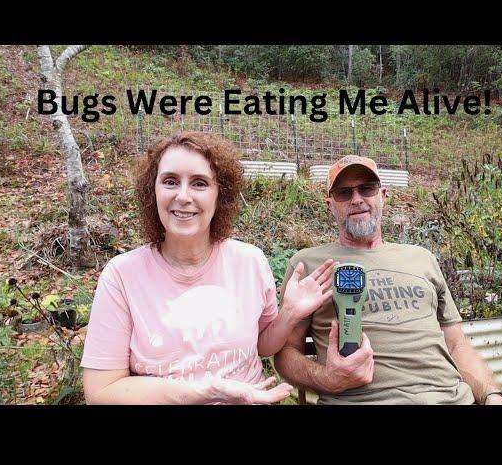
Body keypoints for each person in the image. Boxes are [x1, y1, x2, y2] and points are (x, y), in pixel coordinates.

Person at [81, 131, 335, 404]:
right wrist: (204, 393)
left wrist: (289, 314)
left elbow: (262, 344)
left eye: (200, 184)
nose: (183, 196)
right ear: (151, 191)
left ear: (220, 196)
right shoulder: (122, 275)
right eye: (170, 181)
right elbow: (101, 392)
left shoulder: (249, 261)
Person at [274, 155, 502, 405]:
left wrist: (492, 395)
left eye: (367, 188)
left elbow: (456, 344)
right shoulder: (309, 265)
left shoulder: (422, 258)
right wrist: (326, 379)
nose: (356, 199)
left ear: (383, 195)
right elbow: (285, 352)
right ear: (330, 205)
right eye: (344, 193)